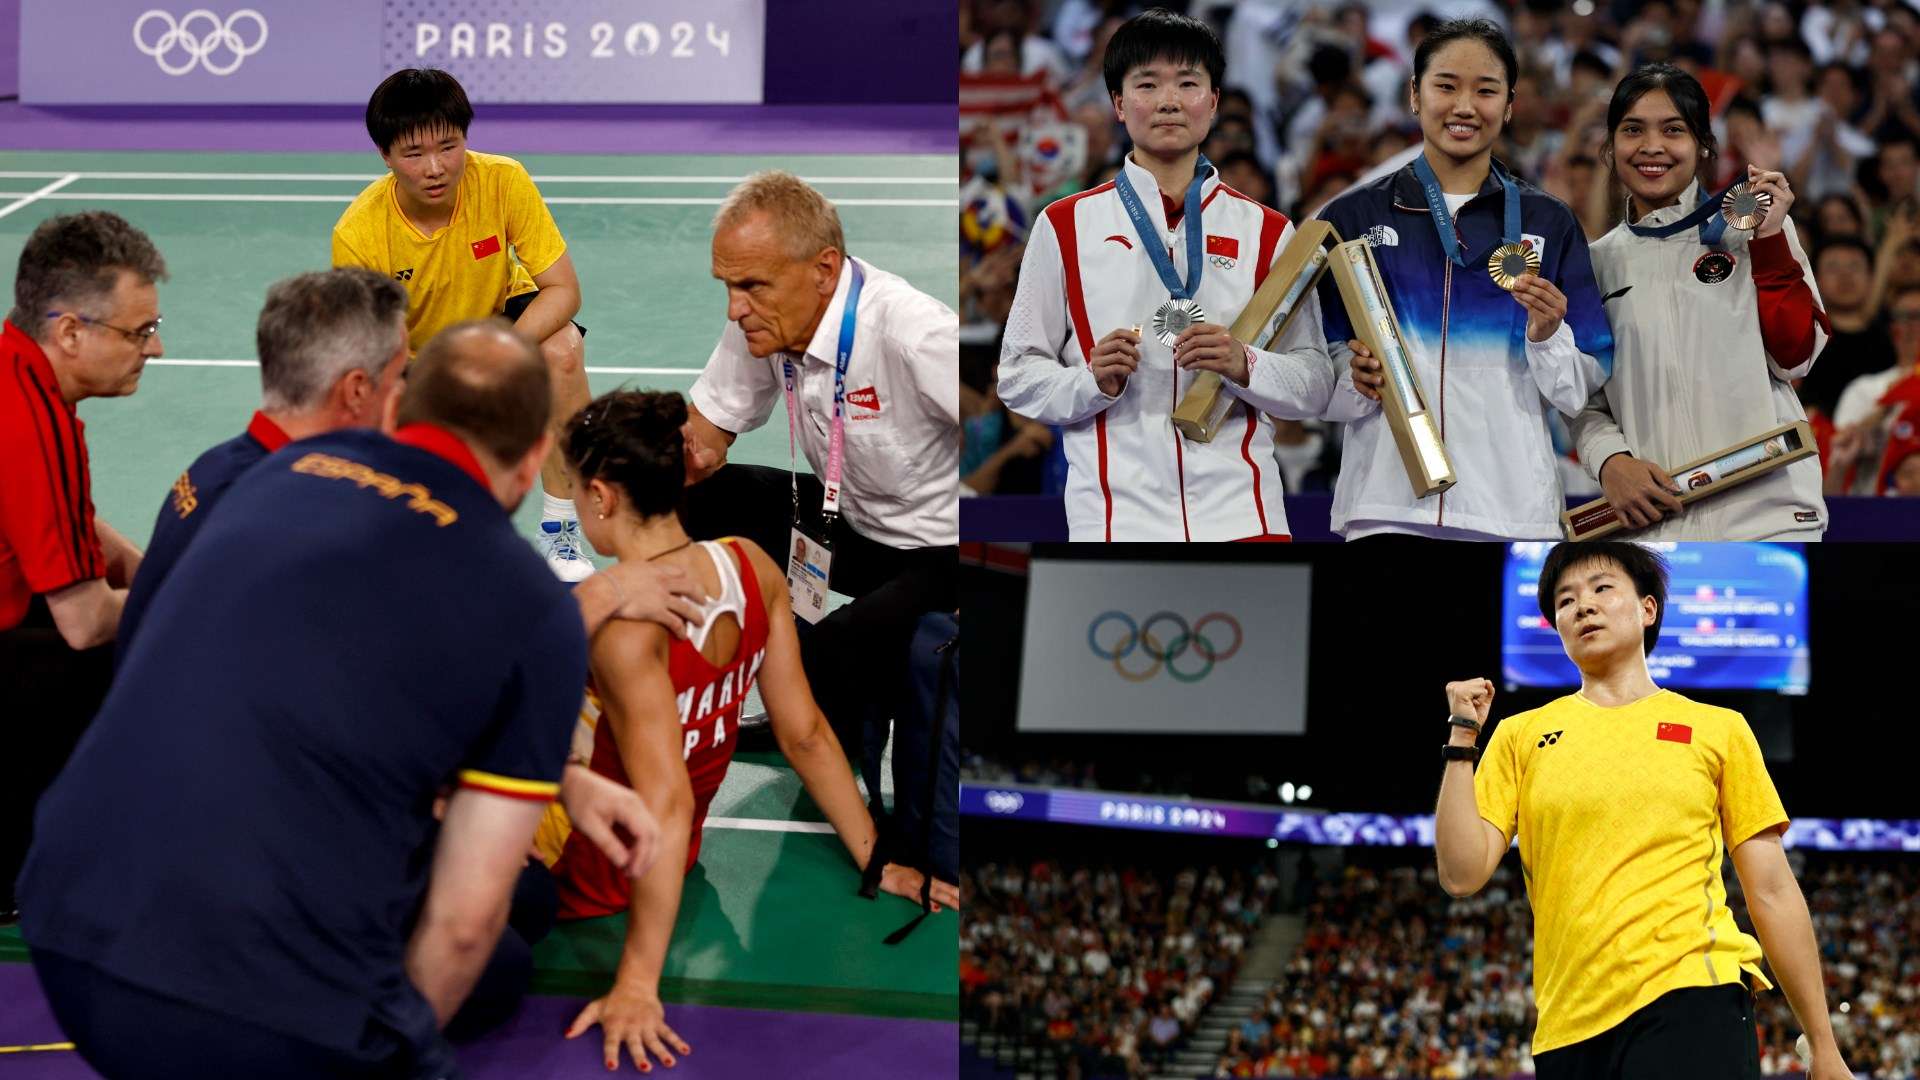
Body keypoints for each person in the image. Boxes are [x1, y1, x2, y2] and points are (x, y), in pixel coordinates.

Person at [16, 321, 638, 1078]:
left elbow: (330, 684)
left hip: (66, 930)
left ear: (399, 405)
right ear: (539, 455)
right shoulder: (533, 608)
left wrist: (561, 777)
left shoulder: (276, 477)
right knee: (494, 948)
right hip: (254, 1008)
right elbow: (465, 928)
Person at [537, 389, 958, 1071]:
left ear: (600, 496)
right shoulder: (749, 566)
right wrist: (877, 857)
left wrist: (638, 984)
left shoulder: (626, 632)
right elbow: (807, 737)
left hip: (582, 875)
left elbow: (662, 801)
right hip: (674, 855)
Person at [1436, 541, 1853, 1080]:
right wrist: (1462, 735)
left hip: (1692, 995)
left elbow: (1771, 888)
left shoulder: (1719, 729)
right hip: (1568, 1024)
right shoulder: (1521, 736)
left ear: (1647, 609)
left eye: (1602, 588)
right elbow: (1461, 873)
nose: (1582, 605)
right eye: (1565, 600)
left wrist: (1823, 1044)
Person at [998, 7, 1338, 541]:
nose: (1169, 101)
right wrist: (1090, 382)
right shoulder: (1064, 225)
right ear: (1117, 102)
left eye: (1188, 82)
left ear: (1215, 100)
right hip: (1113, 518)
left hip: (1243, 512)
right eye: (1147, 84)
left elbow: (1316, 384)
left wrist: (1243, 362)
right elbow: (1017, 376)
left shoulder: (1269, 230)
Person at [680, 170, 957, 772]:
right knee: (695, 501)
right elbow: (700, 444)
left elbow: (1014, 435)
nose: (735, 308)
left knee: (826, 653)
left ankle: (834, 735)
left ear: (824, 269)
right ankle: (780, 697)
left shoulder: (915, 334)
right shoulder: (767, 320)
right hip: (846, 522)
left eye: (751, 286)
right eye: (727, 286)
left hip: (941, 553)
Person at [1330, 19, 1614, 540]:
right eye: (1446, 86)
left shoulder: (1548, 223)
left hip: (1512, 507)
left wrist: (1548, 335)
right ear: (1415, 95)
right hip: (1387, 504)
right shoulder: (1352, 218)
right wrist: (1349, 375)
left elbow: (1581, 387)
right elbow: (1319, 365)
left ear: (1508, 105)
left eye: (1485, 90)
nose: (1464, 106)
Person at [332, 67, 596, 580]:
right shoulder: (360, 233)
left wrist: (499, 353)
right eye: (414, 154)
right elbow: (370, 348)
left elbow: (564, 290)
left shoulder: (502, 180)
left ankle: (561, 531)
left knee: (562, 350)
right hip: (412, 354)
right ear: (385, 157)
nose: (435, 168)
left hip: (498, 320)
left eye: (448, 146)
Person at [1569, 64, 1829, 539]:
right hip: (1658, 520)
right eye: (1632, 130)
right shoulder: (1593, 264)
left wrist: (1769, 241)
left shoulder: (1753, 228)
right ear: (1609, 147)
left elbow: (1795, 357)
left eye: (1674, 130)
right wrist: (1609, 461)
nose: (1652, 147)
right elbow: (1584, 398)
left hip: (1768, 511)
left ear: (1704, 146)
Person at [0, 210, 164, 922]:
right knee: (154, 656)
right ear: (70, 332)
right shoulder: (29, 423)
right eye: (139, 332)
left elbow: (77, 527)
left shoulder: (22, 375)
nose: (156, 350)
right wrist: (188, 591)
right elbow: (85, 621)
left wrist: (149, 565)